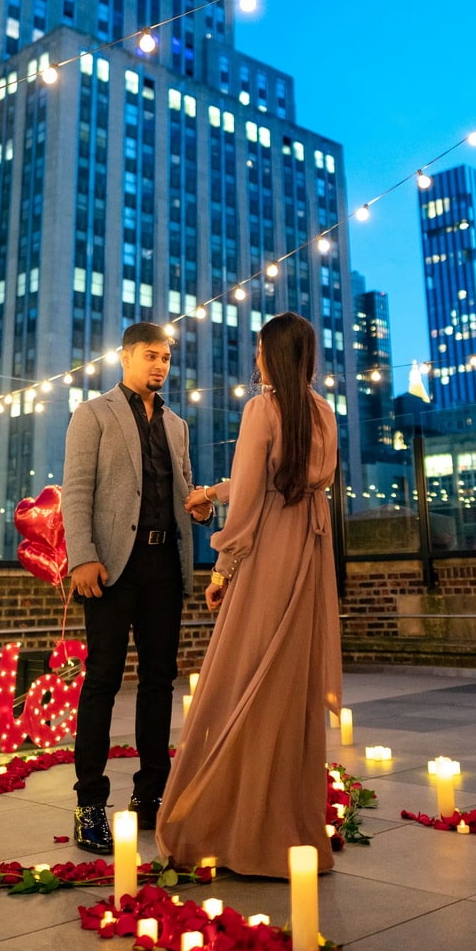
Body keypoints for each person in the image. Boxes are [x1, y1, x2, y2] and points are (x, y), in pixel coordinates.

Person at [156, 312, 342, 878]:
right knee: (289, 683)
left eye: (261, 349)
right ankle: (285, 820)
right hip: (309, 556)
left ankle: (230, 820)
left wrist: (222, 569)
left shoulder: (263, 409)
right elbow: (282, 478)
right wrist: (217, 488)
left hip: (268, 557)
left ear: (274, 354)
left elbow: (255, 501)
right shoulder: (323, 413)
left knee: (240, 678)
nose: (255, 358)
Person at [61, 322, 213, 854]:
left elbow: (180, 490)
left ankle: (150, 797)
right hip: (109, 567)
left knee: (159, 681)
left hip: (164, 564)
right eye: (151, 356)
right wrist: (82, 556)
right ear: (125, 356)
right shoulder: (93, 413)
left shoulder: (177, 425)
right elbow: (76, 492)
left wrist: (200, 506)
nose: (160, 366)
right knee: (101, 680)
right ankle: (89, 806)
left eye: (167, 359)